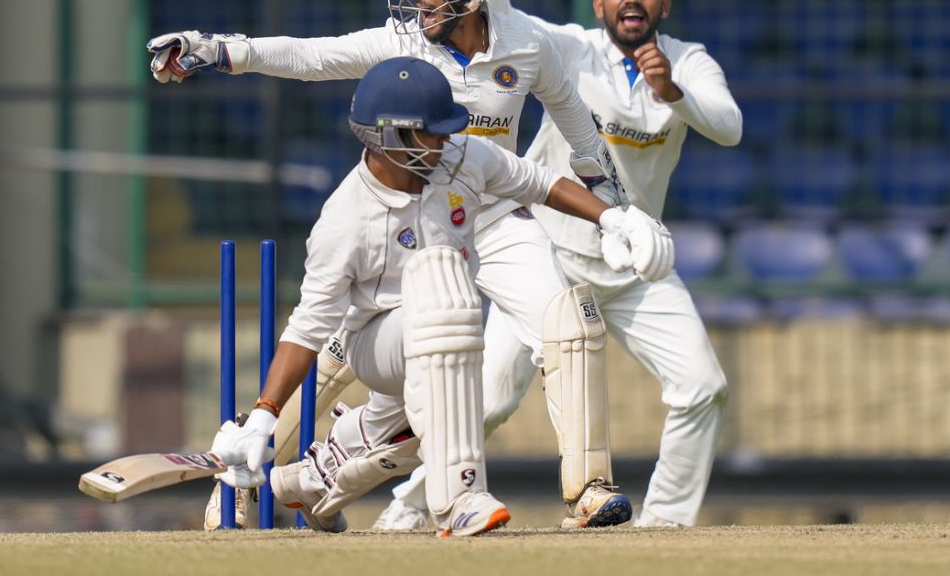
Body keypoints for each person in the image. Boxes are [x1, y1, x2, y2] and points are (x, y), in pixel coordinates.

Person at [148, 0, 662, 529]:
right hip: (409, 216)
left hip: (493, 213)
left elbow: (577, 133)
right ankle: (242, 480)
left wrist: (617, 214)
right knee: (337, 348)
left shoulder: (527, 45)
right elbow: (310, 56)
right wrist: (218, 50)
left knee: (569, 320)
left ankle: (588, 488)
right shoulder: (401, 44)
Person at [376, 0, 742, 530]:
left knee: (703, 386)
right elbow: (504, 26)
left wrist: (673, 93)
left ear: (665, 1)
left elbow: (730, 124)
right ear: (600, 3)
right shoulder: (570, 48)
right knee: (484, 402)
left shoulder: (687, 61)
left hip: (631, 264)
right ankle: (405, 511)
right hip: (552, 256)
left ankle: (662, 525)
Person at [206, 57, 675, 536]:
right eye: (432, 133)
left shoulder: (461, 158)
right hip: (374, 341)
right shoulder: (345, 219)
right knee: (444, 298)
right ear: (391, 137)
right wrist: (264, 415)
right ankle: (458, 499)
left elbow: (540, 183)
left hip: (442, 335)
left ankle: (307, 481)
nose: (445, 141)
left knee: (423, 419)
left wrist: (612, 219)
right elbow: (308, 328)